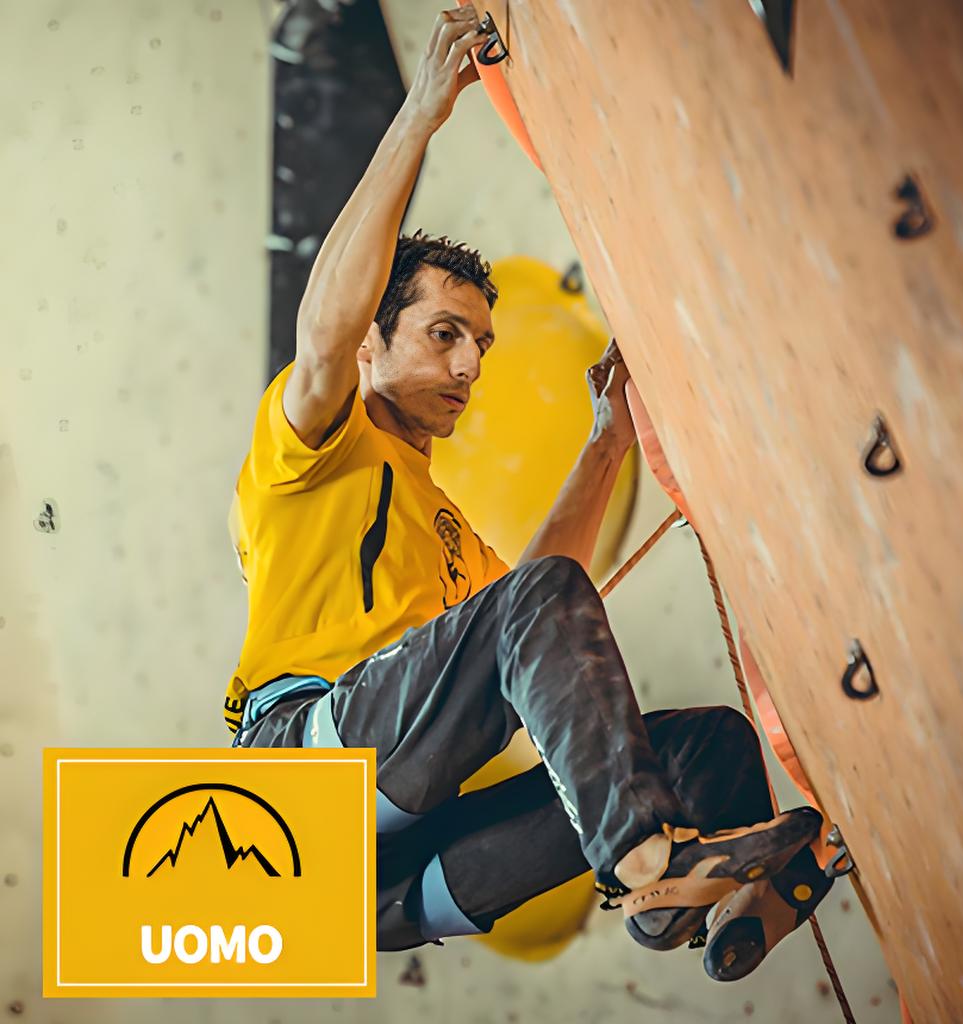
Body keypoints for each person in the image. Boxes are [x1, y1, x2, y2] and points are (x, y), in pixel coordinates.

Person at [225, 6, 832, 976]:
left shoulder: (445, 534)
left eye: (480, 345)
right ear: (374, 339)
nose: (470, 366)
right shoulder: (311, 448)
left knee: (707, 749)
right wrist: (422, 111)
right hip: (301, 784)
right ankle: (648, 864)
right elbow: (324, 327)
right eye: (444, 335)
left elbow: (542, 591)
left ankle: (709, 907)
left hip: (391, 884)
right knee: (539, 610)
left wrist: (609, 441)